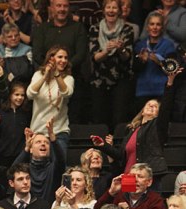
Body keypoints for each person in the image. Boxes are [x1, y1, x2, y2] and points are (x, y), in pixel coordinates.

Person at [91, 68, 183, 189]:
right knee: (128, 207)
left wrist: (169, 84)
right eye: (149, 104)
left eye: (155, 107)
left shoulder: (158, 125)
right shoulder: (132, 131)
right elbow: (121, 156)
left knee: (147, 206)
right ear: (142, 111)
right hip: (129, 175)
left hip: (149, 175)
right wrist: (103, 145)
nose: (151, 106)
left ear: (158, 114)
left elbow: (166, 107)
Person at [31, 0, 88, 122]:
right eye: (58, 6)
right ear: (51, 8)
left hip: (73, 78)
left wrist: (64, 67)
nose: (62, 9)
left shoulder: (78, 28)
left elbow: (81, 54)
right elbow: (36, 53)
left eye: (65, 6)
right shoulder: (42, 28)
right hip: (47, 79)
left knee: (74, 118)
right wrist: (51, 68)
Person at [89, 0, 134, 130]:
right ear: (103, 11)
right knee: (99, 118)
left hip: (121, 79)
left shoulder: (127, 29)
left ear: (119, 11)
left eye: (114, 8)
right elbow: (95, 57)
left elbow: (127, 57)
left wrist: (121, 49)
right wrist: (106, 51)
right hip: (100, 80)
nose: (111, 10)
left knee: (119, 118)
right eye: (108, 7)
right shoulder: (95, 29)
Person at [26, 45, 74, 160]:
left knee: (59, 166)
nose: (63, 61)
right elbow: (30, 94)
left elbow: (66, 93)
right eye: (60, 57)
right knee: (39, 167)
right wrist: (45, 76)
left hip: (59, 131)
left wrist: (57, 74)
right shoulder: (38, 75)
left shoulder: (68, 78)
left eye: (66, 58)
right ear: (51, 59)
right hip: (38, 131)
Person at [13, 118, 66, 203]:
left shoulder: (53, 168)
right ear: (31, 149)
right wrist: (26, 148)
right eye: (38, 142)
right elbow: (14, 170)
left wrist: (52, 137)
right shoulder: (26, 169)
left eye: (46, 142)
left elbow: (61, 159)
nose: (43, 144)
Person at [133, 11, 176, 112]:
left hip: (161, 91)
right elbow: (134, 69)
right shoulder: (140, 45)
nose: (155, 27)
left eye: (158, 24)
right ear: (147, 27)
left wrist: (159, 62)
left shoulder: (168, 45)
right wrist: (141, 61)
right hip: (142, 90)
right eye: (152, 24)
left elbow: (173, 70)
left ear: (162, 27)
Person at [0, 81, 31, 168]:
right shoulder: (1, 112)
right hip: (2, 155)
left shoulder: (26, 113)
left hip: (19, 155)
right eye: (16, 94)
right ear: (10, 95)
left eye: (22, 95)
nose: (20, 98)